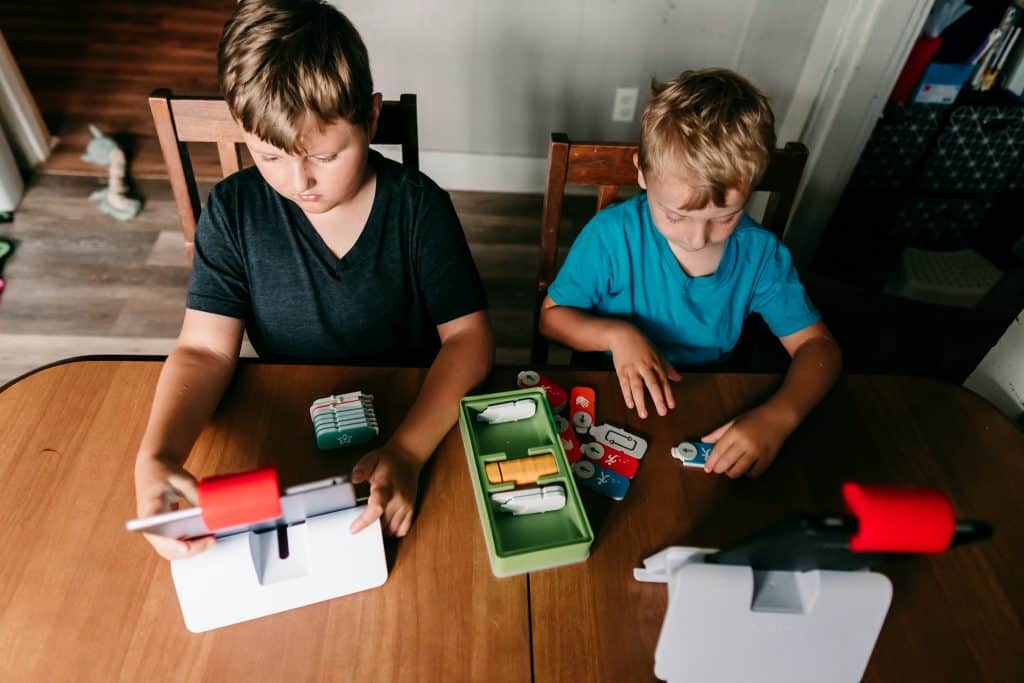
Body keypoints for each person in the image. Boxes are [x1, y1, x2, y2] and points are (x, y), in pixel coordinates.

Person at [134, 0, 493, 559]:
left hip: (415, 416)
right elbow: (203, 351)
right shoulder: (232, 211)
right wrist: (154, 456)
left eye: (325, 155)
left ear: (371, 118)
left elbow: (469, 340)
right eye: (269, 157)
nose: (299, 181)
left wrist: (409, 450)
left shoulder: (419, 209)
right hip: (290, 425)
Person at [539, 68, 841, 478]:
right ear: (642, 174)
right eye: (676, 215)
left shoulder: (760, 255)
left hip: (709, 399)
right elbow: (551, 319)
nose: (698, 238)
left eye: (726, 216)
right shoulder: (611, 237)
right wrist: (616, 334)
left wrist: (778, 418)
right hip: (609, 391)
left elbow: (819, 349)